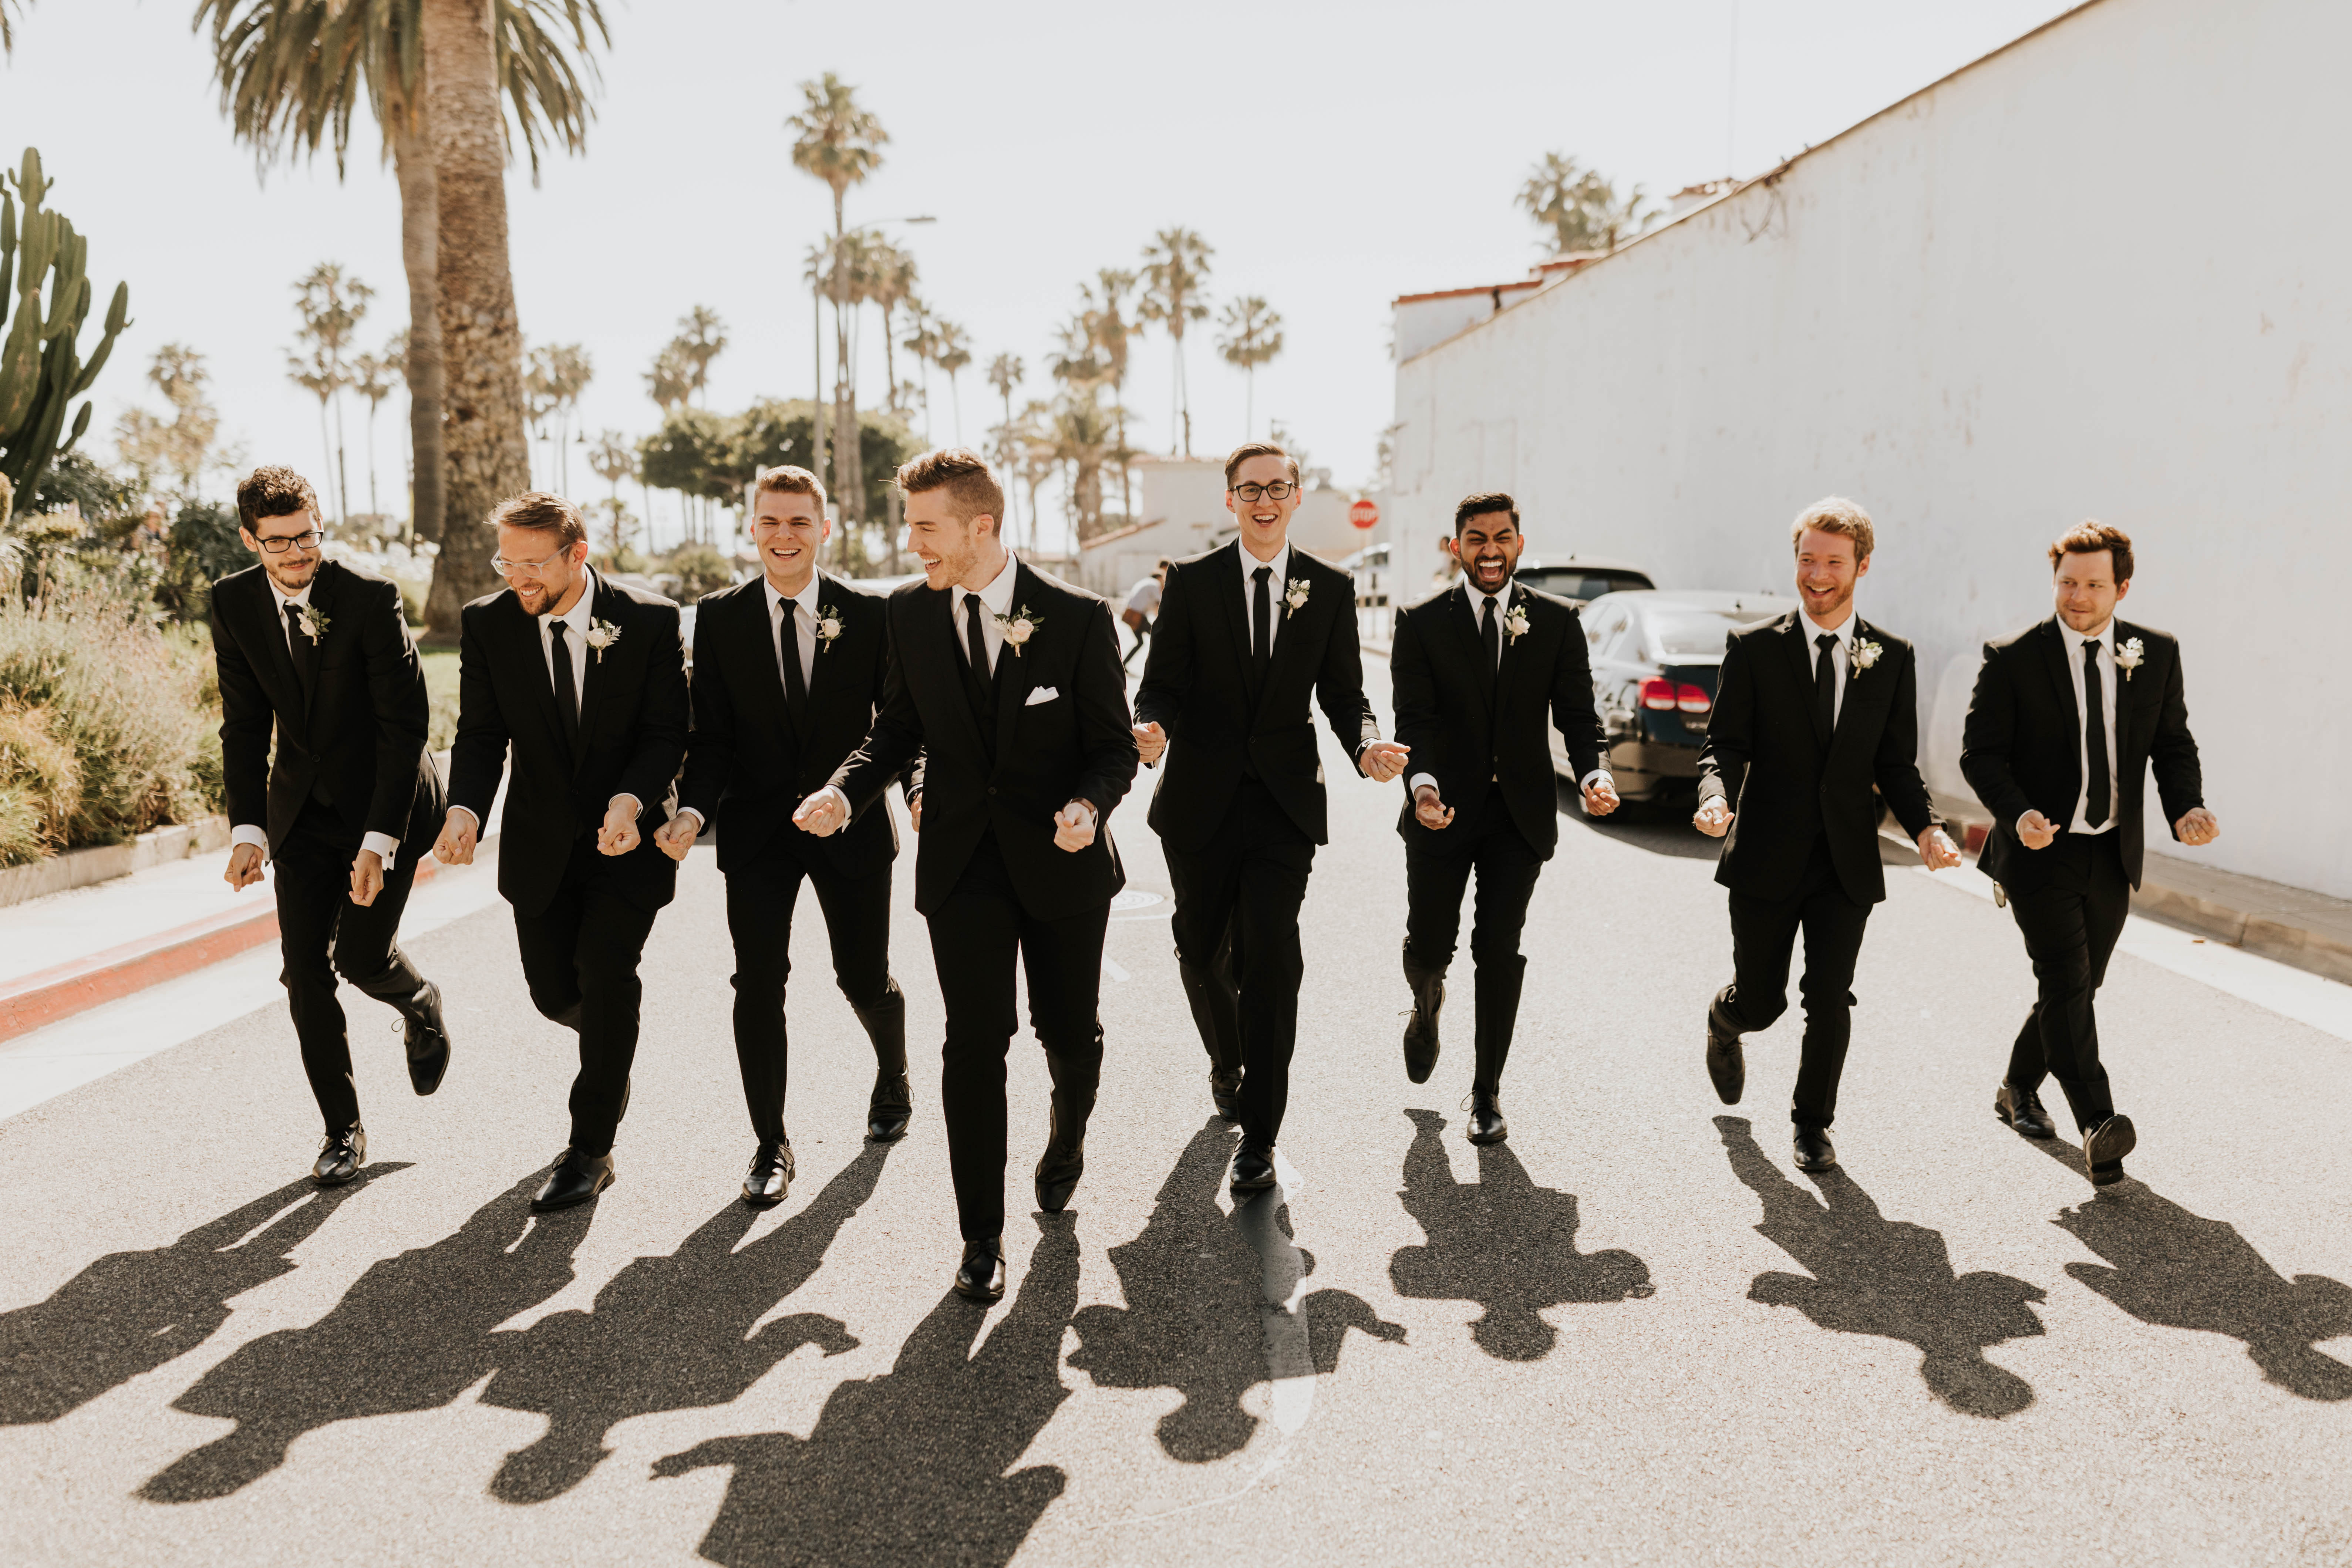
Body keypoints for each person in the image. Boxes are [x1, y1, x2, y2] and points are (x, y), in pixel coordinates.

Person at [796, 448, 1136, 1304]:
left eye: (924, 527)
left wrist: (1090, 808)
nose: (911, 544)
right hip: (960, 866)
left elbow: (1111, 747)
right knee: (972, 1043)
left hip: (1061, 864)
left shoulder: (1079, 618)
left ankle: (1065, 1139)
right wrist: (844, 792)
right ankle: (979, 1237)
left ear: (979, 526)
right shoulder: (907, 615)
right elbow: (898, 728)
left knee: (1071, 1037)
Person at [1133, 441, 1410, 1195]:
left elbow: (1344, 692)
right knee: (1198, 949)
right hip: (1197, 799)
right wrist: (1149, 726)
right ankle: (1226, 1060)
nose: (1263, 500)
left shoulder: (1328, 587)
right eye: (1249, 489)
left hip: (1283, 805)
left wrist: (1365, 743)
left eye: (1277, 488)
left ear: (1294, 496)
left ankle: (1258, 1136)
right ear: (1230, 499)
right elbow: (1159, 684)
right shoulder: (1190, 584)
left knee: (1271, 959)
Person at [654, 466, 917, 1210]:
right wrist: (691, 812)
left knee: (861, 976)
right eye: (770, 521)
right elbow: (711, 740)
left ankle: (892, 1073)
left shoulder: (870, 614)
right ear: (751, 528)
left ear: (824, 528)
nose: (784, 535)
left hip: (852, 821)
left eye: (799, 521)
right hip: (756, 830)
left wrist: (867, 793)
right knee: (757, 982)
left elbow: (896, 728)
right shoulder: (719, 616)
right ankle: (770, 1142)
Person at [434, 491, 688, 1213]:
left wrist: (632, 799)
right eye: (506, 562)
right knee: (555, 992)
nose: (518, 578)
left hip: (627, 838)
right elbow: (483, 734)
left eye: (532, 563)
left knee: (608, 971)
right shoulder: (488, 624)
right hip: (540, 843)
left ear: (577, 554)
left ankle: (589, 1148)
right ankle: (612, 1047)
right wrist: (464, 810)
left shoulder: (647, 620)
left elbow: (667, 731)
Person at [1694, 497, 1962, 1173]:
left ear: (1861, 566)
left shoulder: (1891, 657)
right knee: (1764, 998)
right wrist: (1714, 794)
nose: (1816, 574)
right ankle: (1726, 1023)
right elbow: (1723, 743)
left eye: (1832, 562)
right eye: (1806, 559)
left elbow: (1894, 762)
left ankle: (1811, 1124)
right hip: (1763, 854)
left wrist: (1927, 828)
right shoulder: (1754, 649)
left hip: (1844, 860)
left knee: (1829, 996)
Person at [212, 466, 450, 1187]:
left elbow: (404, 727)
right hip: (302, 812)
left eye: (306, 536)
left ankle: (419, 1002)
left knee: (361, 956)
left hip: (391, 797)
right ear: (251, 540)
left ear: (321, 525)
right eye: (278, 542)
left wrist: (378, 842)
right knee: (304, 971)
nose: (295, 554)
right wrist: (248, 829)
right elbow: (244, 724)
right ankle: (342, 1129)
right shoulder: (232, 603)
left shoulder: (371, 600)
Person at [1960, 522, 2213, 1186]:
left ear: (2120, 587)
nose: (2076, 595)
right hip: (2039, 852)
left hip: (2110, 853)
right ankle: (2098, 1123)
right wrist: (2016, 813)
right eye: (2066, 581)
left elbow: (2170, 742)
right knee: (2067, 981)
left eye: (2092, 583)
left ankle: (2017, 1083)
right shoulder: (2012, 658)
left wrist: (2184, 804)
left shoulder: (2151, 652)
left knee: (2075, 985)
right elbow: (1979, 754)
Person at [1388, 492, 1619, 1145]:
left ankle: (1486, 1091)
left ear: (1518, 543)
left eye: (1501, 537)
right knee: (1430, 944)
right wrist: (1422, 788)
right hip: (1440, 811)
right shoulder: (1420, 621)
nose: (1489, 549)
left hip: (1517, 817)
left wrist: (1595, 772)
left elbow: (1578, 717)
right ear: (1454, 545)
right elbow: (1416, 719)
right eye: (1475, 537)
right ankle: (1426, 1001)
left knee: (1498, 948)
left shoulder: (1554, 621)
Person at [1120, 560, 1169, 672]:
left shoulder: (1146, 583)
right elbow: (1159, 605)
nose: (1164, 583)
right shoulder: (1154, 584)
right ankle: (1160, 666)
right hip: (1138, 616)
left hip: (1132, 614)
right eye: (1163, 580)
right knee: (1158, 636)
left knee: (1141, 642)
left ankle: (1123, 664)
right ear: (1159, 578)